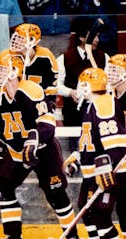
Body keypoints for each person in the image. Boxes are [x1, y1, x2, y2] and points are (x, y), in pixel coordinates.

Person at [0, 53, 79, 239]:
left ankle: (72, 236)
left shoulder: (31, 90)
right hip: (16, 154)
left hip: (44, 152)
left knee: (56, 194)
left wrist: (33, 140)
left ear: (14, 72)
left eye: (2, 68)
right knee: (3, 188)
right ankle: (13, 236)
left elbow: (47, 124)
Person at [64, 67, 126, 239]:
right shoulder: (90, 105)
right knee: (88, 211)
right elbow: (89, 141)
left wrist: (106, 168)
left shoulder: (105, 102)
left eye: (82, 84)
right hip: (92, 174)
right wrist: (76, 158)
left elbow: (116, 142)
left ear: (90, 86)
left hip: (107, 173)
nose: (79, 87)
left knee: (100, 214)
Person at [57, 18, 109, 153]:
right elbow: (56, 84)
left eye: (98, 35)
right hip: (74, 112)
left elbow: (109, 84)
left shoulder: (104, 57)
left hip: (98, 111)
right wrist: (70, 92)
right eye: (94, 35)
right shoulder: (64, 58)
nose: (97, 39)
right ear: (81, 37)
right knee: (76, 149)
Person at [0, 23, 58, 104]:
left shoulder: (46, 56)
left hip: (38, 103)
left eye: (20, 38)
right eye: (16, 37)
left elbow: (51, 87)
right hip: (11, 104)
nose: (16, 41)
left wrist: (47, 105)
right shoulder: (5, 56)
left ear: (32, 40)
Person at [105, 54, 126, 239]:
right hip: (121, 161)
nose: (110, 74)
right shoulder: (112, 98)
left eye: (115, 70)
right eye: (109, 70)